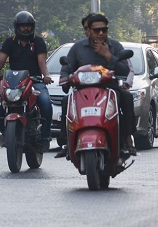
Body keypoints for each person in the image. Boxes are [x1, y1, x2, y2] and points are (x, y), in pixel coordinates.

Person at [55, 13, 136, 158]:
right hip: (83, 90)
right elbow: (67, 66)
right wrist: (64, 77)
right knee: (66, 101)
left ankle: (127, 139)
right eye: (96, 30)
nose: (100, 33)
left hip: (109, 89)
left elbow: (124, 69)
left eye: (103, 30)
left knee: (126, 97)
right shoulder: (78, 47)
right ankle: (66, 142)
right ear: (89, 31)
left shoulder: (115, 46)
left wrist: (108, 56)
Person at [0, 11, 53, 151]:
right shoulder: (9, 42)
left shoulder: (38, 41)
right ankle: (6, 136)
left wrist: (46, 75)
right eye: (23, 26)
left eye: (28, 26)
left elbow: (42, 63)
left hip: (34, 81)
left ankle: (45, 137)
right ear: (17, 26)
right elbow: (0, 61)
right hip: (14, 84)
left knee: (46, 103)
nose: (26, 29)